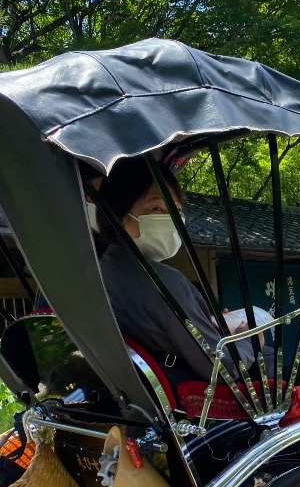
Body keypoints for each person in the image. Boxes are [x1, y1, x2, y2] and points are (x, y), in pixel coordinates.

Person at [95, 158, 264, 386]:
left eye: (177, 210)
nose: (171, 219)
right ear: (118, 217)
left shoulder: (102, 272)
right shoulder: (162, 280)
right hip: (187, 397)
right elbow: (223, 368)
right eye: (156, 208)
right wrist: (250, 339)